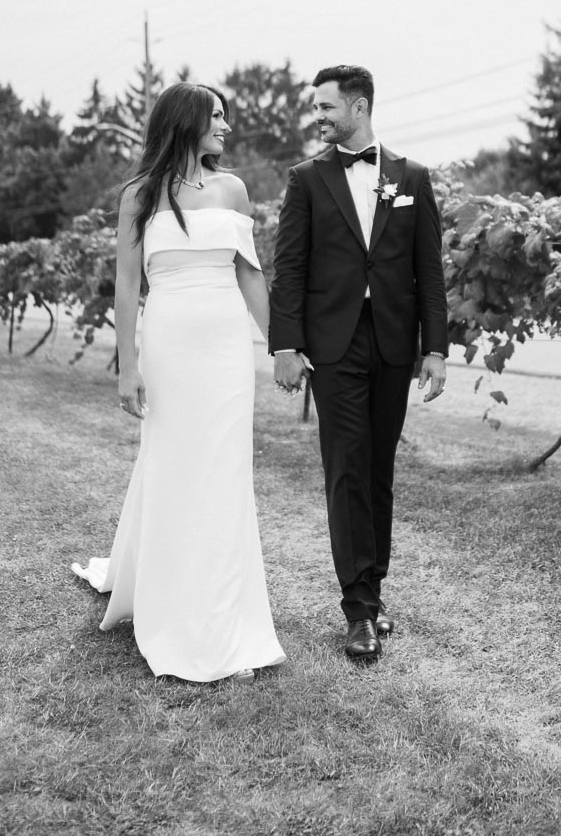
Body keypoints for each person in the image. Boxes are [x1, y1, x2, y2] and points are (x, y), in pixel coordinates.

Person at [72, 83, 285, 683]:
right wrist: (128, 364)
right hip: (167, 343)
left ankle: (222, 618)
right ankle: (168, 603)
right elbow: (125, 283)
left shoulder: (233, 189)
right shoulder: (138, 195)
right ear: (185, 123)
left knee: (223, 471)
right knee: (172, 465)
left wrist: (280, 344)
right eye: (217, 116)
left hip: (224, 347)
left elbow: (249, 274)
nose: (226, 127)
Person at [269, 65, 447, 662]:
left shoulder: (413, 178)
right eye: (316, 109)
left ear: (360, 107)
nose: (318, 118)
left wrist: (437, 349)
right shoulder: (306, 180)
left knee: (378, 469)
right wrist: (286, 345)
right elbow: (288, 267)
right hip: (335, 344)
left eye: (326, 108)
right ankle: (359, 610)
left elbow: (430, 273)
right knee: (346, 466)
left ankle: (375, 586)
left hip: (396, 343)